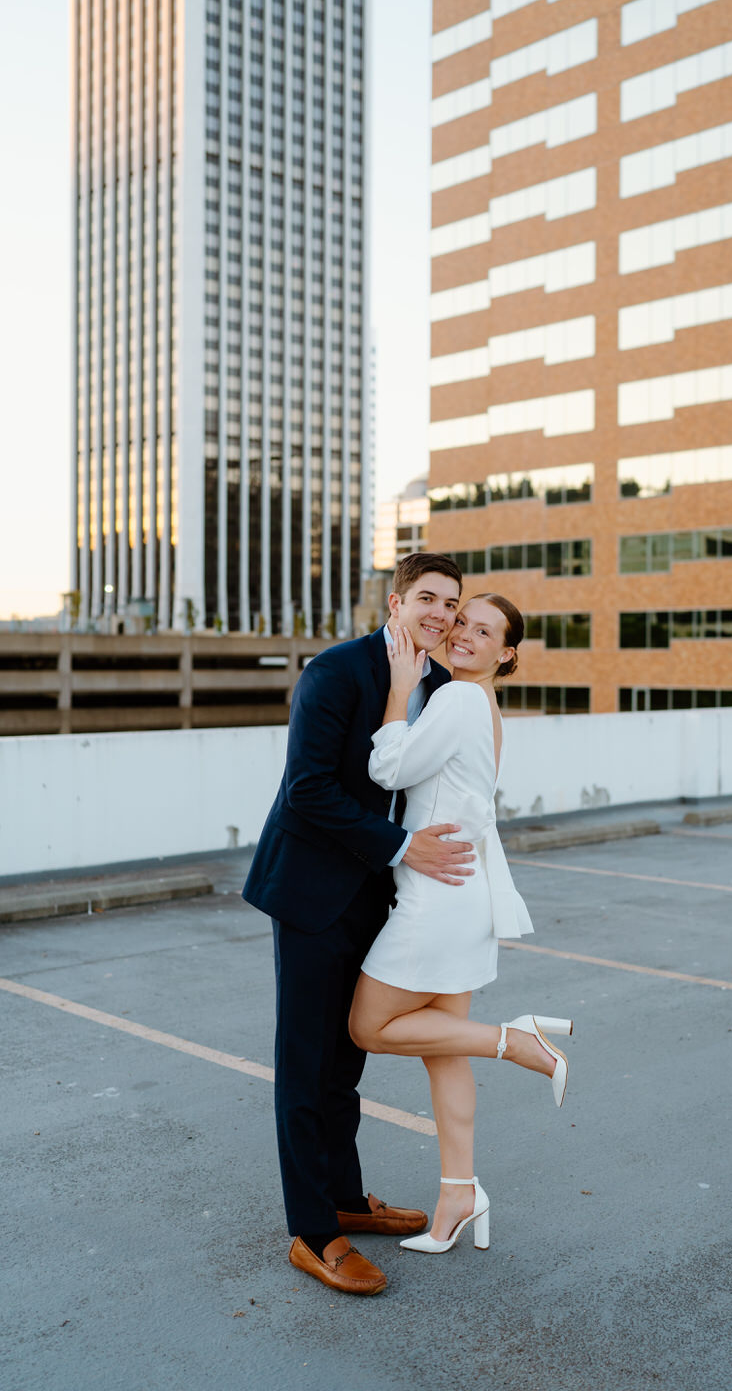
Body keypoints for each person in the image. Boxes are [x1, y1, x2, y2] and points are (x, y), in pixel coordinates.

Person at [241, 553, 476, 1297]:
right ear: (396, 600)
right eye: (428, 599)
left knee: (347, 1062)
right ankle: (313, 1233)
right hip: (311, 894)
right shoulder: (335, 671)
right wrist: (405, 847)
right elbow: (308, 790)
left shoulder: (440, 688)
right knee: (306, 1067)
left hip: (381, 901)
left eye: (451, 604)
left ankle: (345, 1197)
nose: (439, 615)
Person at [349, 593, 574, 1255]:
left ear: (506, 653)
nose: (465, 635)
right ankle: (458, 1192)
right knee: (442, 1052)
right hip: (462, 892)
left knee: (369, 1026)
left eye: (484, 630)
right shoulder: (485, 707)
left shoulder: (458, 699)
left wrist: (398, 692)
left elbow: (387, 766)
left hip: (436, 897)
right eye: (463, 623)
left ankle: (516, 1039)